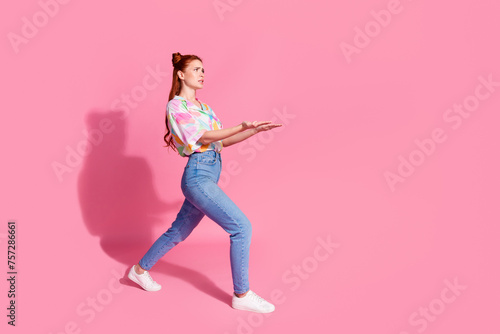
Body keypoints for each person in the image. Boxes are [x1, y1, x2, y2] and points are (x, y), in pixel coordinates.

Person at [128, 52, 282, 313]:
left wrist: (252, 130)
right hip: (198, 175)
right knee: (241, 227)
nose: (202, 74)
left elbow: (220, 142)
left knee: (177, 232)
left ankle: (139, 271)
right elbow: (203, 136)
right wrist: (239, 125)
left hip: (210, 171)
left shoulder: (204, 107)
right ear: (181, 74)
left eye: (203, 70)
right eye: (197, 69)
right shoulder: (176, 106)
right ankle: (241, 294)